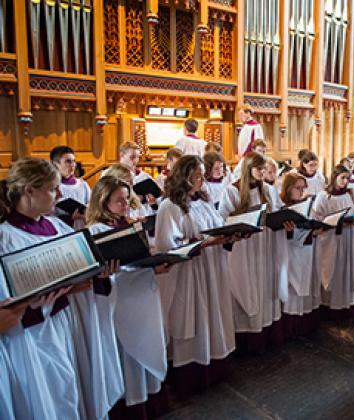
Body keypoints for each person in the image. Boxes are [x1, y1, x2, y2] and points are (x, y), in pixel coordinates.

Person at [0, 158, 118, 418]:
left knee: (71, 391)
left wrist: (100, 274)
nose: (61, 194)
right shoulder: (5, 237)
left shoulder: (57, 226)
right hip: (31, 336)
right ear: (29, 190)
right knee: (47, 399)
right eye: (53, 189)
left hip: (65, 321)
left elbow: (82, 271)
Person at [86, 176, 169, 410]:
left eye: (126, 199)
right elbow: (97, 272)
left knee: (149, 342)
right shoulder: (96, 231)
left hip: (143, 292)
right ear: (103, 202)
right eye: (118, 201)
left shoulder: (132, 222)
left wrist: (156, 263)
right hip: (121, 298)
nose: (125, 205)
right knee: (128, 350)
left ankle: (152, 398)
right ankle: (132, 403)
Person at [154, 155, 236, 390]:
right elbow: (166, 246)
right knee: (193, 316)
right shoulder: (169, 206)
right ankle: (192, 371)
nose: (202, 180)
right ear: (184, 177)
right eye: (197, 176)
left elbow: (217, 224)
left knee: (213, 313)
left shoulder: (204, 200)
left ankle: (214, 362)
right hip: (190, 273)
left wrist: (230, 235)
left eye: (202, 175)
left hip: (213, 268)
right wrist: (207, 243)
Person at [219, 152, 288, 351]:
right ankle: (246, 339)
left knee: (264, 285)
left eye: (264, 168)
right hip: (244, 246)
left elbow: (276, 213)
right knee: (245, 286)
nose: (263, 172)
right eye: (259, 169)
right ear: (248, 168)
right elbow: (224, 219)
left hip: (264, 244)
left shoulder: (268, 189)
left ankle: (266, 334)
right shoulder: (232, 191)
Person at [312, 165, 354, 314]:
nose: (345, 181)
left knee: (346, 268)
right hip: (331, 240)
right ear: (334, 177)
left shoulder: (352, 194)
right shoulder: (323, 196)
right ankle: (329, 306)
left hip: (348, 238)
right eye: (342, 178)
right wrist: (333, 222)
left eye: (347, 178)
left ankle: (346, 303)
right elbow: (317, 218)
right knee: (332, 269)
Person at [279, 173, 322, 336]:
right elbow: (282, 237)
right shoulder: (283, 209)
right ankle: (293, 327)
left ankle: (308, 324)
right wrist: (290, 233)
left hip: (308, 253)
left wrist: (317, 229)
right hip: (292, 256)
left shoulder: (307, 205)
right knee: (294, 289)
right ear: (288, 189)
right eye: (298, 188)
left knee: (308, 285)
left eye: (304, 188)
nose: (302, 192)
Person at [50, 145, 91, 229]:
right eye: (68, 161)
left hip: (82, 225)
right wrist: (70, 218)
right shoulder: (50, 186)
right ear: (56, 164)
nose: (73, 165)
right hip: (61, 227)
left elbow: (91, 204)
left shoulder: (82, 184)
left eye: (74, 161)